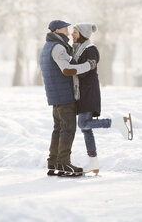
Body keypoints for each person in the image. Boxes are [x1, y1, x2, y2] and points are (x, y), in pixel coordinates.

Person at [72, 23, 133, 175]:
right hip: (82, 93)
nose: (72, 34)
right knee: (86, 129)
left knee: (83, 123)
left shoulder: (90, 49)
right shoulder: (78, 48)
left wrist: (70, 67)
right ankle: (93, 162)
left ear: (83, 34)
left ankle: (116, 122)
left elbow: (86, 70)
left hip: (89, 92)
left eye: (75, 32)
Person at [39, 20, 97, 176]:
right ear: (57, 30)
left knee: (58, 129)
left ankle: (53, 163)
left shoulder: (47, 46)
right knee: (68, 130)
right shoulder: (58, 47)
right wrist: (88, 66)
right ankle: (64, 163)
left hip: (55, 95)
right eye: (65, 29)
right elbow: (67, 69)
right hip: (64, 95)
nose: (68, 32)